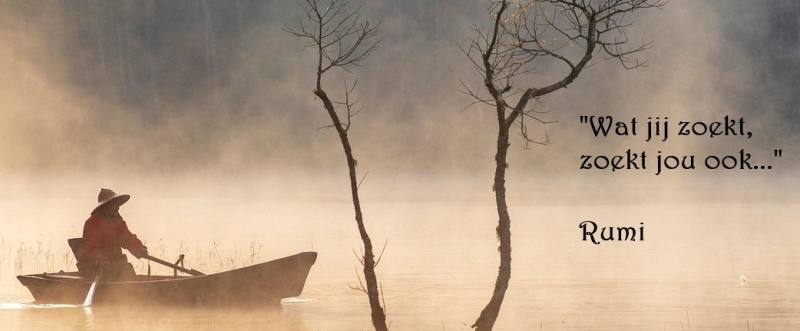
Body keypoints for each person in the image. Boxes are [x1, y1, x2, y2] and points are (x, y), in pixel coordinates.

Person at [77, 188, 148, 281]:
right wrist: (101, 261)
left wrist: (140, 248)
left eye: (117, 204)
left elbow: (128, 239)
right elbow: (90, 248)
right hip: (97, 269)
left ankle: (135, 292)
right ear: (105, 207)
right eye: (113, 204)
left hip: (116, 265)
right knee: (114, 271)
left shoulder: (118, 222)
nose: (117, 207)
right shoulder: (92, 223)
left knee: (127, 268)